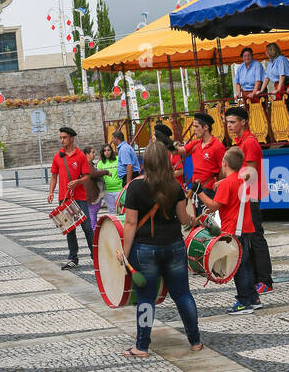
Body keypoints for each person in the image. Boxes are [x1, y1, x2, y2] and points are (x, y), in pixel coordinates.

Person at [120, 140, 203, 358]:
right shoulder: (174, 187)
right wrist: (193, 219)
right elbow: (184, 218)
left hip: (145, 250)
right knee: (183, 294)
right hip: (174, 246)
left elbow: (130, 223)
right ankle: (195, 341)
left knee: (146, 299)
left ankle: (142, 346)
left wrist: (124, 254)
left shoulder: (136, 187)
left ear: (145, 161)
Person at [202, 148, 262, 314]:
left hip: (233, 228)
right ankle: (253, 297)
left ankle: (243, 302)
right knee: (246, 263)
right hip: (245, 226)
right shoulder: (241, 180)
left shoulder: (227, 183)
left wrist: (199, 192)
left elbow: (214, 205)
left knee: (238, 266)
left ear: (225, 164)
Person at [223, 104, 273, 294]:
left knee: (255, 238)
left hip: (250, 194)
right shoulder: (240, 142)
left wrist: (228, 181)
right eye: (227, 122)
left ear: (243, 122)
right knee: (247, 238)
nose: (229, 126)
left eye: (233, 122)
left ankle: (265, 280)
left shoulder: (249, 142)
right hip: (243, 196)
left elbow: (249, 173)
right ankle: (255, 278)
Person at [47, 126, 94, 269]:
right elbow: (54, 176)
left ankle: (95, 255)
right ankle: (73, 257)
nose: (62, 140)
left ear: (72, 138)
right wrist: (51, 192)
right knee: (69, 228)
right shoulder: (57, 156)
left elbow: (87, 177)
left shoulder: (80, 156)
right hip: (64, 198)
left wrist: (78, 182)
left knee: (86, 227)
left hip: (80, 197)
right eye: (61, 137)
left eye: (64, 137)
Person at [175, 113, 225, 217]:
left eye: (196, 126)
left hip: (209, 191)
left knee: (207, 223)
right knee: (198, 223)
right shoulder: (196, 144)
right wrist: (165, 142)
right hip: (196, 190)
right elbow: (179, 151)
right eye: (193, 126)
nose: (193, 129)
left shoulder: (217, 146)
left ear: (206, 127)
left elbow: (224, 170)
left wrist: (219, 183)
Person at [83, 147, 107, 234]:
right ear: (87, 154)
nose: (94, 154)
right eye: (92, 152)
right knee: (92, 213)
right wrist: (105, 172)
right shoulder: (87, 163)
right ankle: (93, 232)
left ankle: (93, 230)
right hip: (91, 194)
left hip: (91, 194)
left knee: (92, 213)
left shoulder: (89, 163)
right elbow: (93, 174)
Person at [95, 142, 122, 215]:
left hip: (119, 189)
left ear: (111, 151)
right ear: (102, 152)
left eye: (108, 150)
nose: (106, 152)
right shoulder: (100, 163)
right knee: (112, 211)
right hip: (107, 191)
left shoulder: (118, 159)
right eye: (104, 150)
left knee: (121, 211)